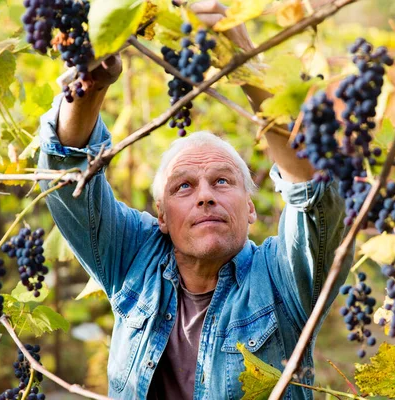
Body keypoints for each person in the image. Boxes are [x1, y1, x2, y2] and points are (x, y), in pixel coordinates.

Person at [38, 1, 353, 398]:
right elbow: (68, 177)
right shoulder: (134, 258)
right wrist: (89, 85)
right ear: (162, 218)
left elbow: (314, 192)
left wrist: (245, 62)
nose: (205, 196)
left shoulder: (282, 279)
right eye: (183, 187)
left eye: (222, 181)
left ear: (250, 208)